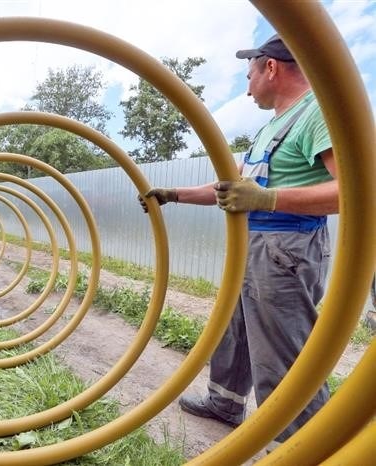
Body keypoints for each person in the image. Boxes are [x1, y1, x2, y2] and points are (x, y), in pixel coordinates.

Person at [140, 34, 338, 450]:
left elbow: (354, 191)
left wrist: (269, 198)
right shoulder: (273, 124)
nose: (246, 88)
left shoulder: (318, 114)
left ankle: (301, 446)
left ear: (271, 67)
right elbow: (231, 186)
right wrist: (174, 194)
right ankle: (225, 403)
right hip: (255, 244)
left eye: (248, 75)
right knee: (235, 331)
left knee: (281, 351)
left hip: (287, 249)